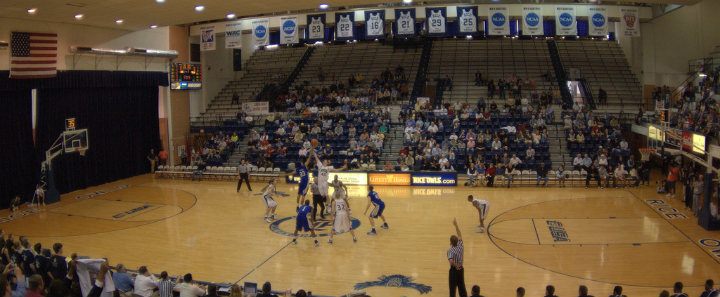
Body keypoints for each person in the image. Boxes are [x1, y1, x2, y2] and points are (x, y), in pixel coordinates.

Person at [448, 218, 466, 297]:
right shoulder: (460, 245)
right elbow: (459, 234)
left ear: (451, 242)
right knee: (462, 287)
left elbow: (451, 262)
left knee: (452, 289)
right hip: (461, 269)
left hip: (454, 271)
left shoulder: (450, 250)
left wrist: (456, 266)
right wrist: (456, 225)